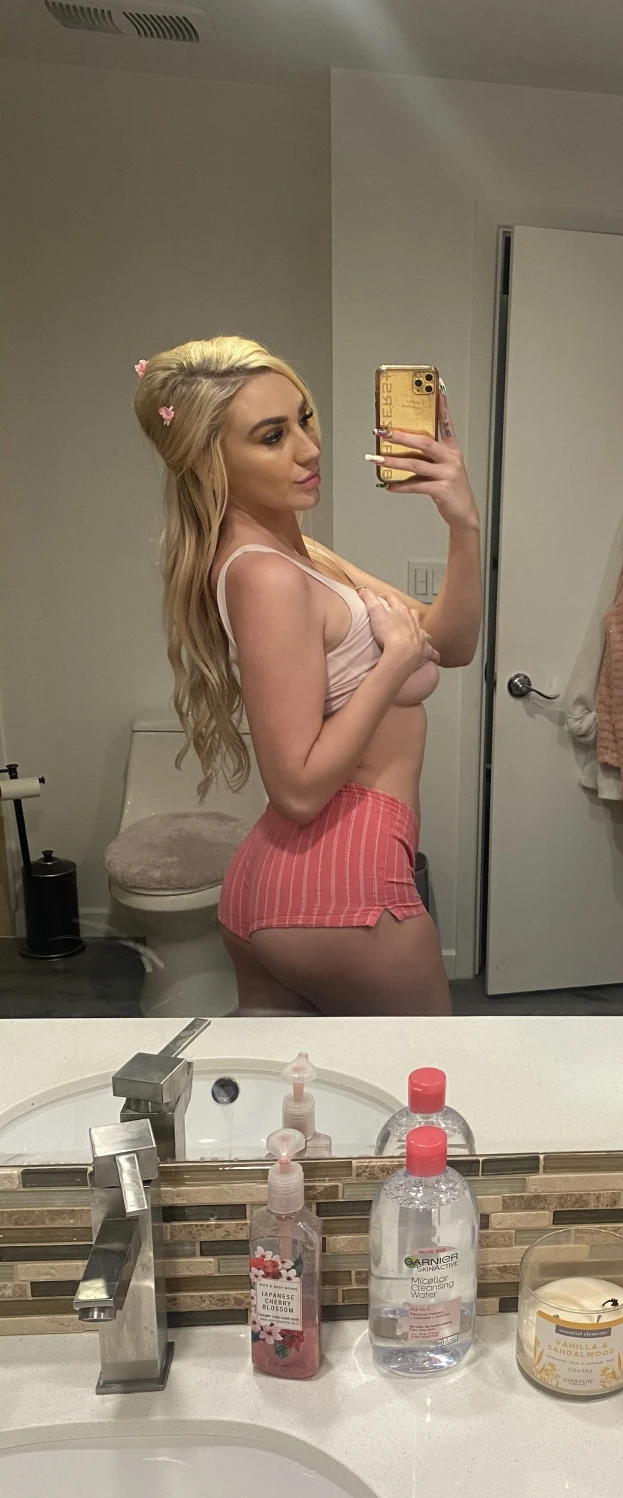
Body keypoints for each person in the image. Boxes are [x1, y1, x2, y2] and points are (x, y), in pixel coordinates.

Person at [133, 336, 481, 1014]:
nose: (309, 449)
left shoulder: (301, 555)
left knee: (294, 1088)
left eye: (304, 420)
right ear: (207, 462)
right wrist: (393, 666)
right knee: (425, 1082)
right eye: (272, 436)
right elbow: (295, 788)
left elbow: (452, 644)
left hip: (283, 885)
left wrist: (462, 522)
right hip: (342, 892)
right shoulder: (265, 575)